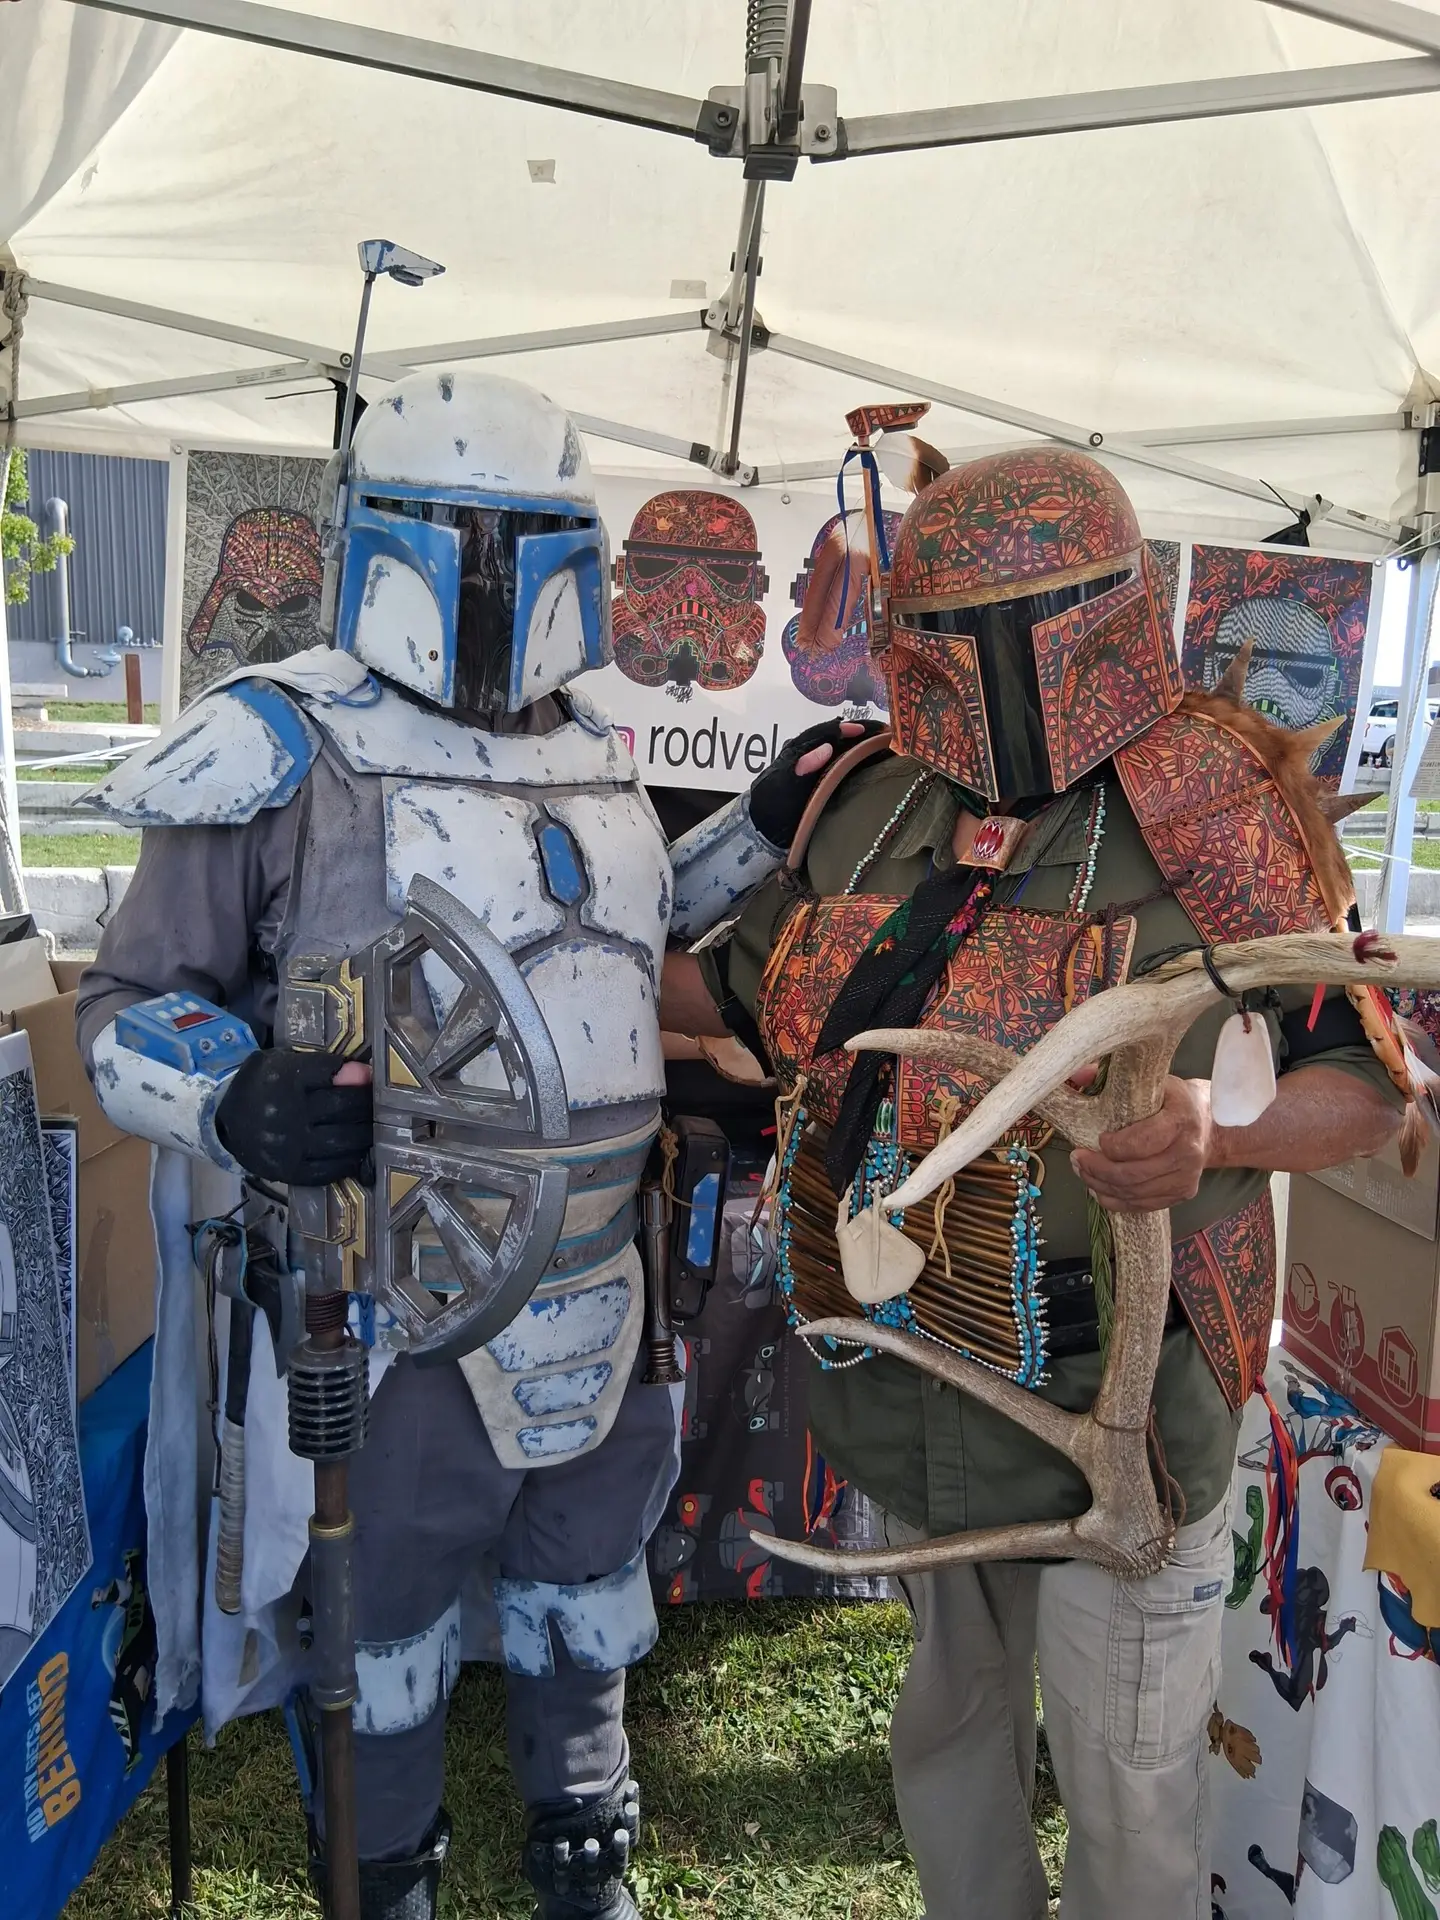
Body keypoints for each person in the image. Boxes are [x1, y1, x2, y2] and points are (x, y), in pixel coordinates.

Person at [74, 367, 856, 1920]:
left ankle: (588, 1861)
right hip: (387, 1306)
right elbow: (126, 1005)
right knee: (379, 1624)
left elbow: (623, 940)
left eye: (522, 543)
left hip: (603, 1281)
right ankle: (391, 1880)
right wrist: (231, 1094)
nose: (490, 583)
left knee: (587, 1589)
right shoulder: (281, 744)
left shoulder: (592, 743)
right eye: (460, 539)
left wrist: (760, 829)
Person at [662, 445, 1403, 1920]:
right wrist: (556, 934)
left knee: (1129, 1792)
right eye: (938, 636)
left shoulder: (1212, 808)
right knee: (950, 1740)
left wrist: (1215, 1132)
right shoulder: (871, 801)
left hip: (1122, 1414)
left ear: (1092, 622)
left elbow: (1369, 1091)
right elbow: (732, 997)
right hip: (915, 1387)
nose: (968, 672)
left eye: (998, 633)